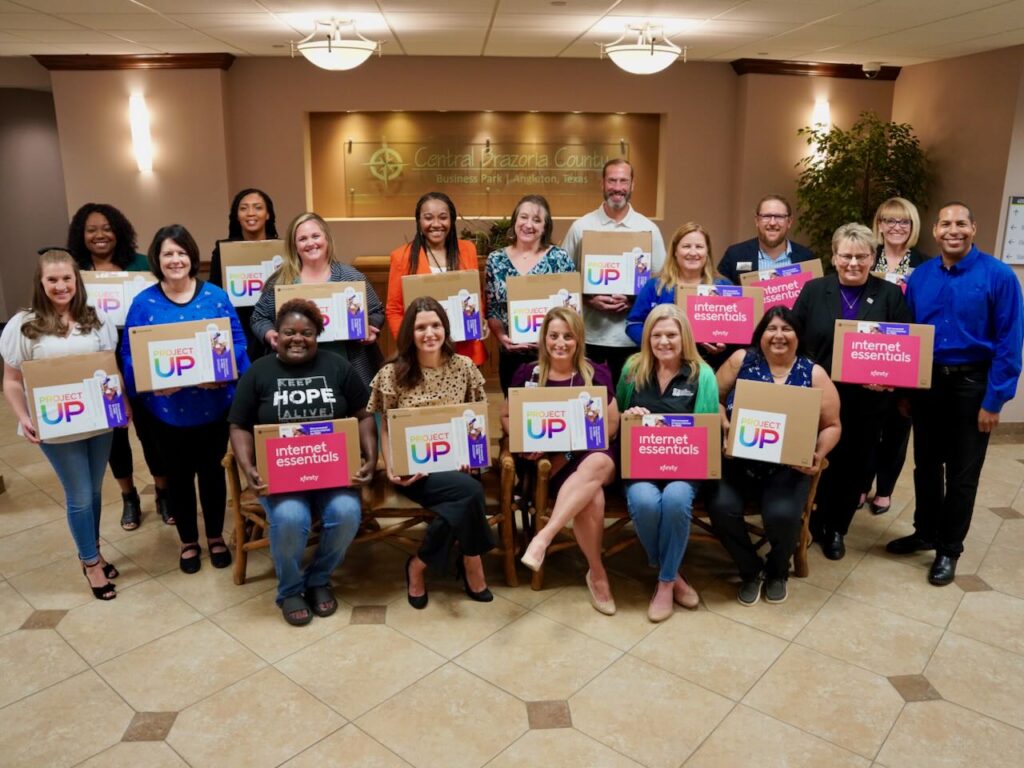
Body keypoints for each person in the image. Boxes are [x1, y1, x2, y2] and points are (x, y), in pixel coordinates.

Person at [886, 202, 1024, 585]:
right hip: (927, 384)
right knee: (926, 465)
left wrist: (995, 399)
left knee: (962, 473)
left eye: (961, 223)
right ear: (934, 231)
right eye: (945, 223)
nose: (953, 230)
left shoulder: (998, 277)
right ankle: (925, 531)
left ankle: (949, 549)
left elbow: (1009, 342)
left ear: (974, 228)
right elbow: (909, 336)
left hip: (972, 385)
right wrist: (904, 389)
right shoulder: (920, 276)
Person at [228, 299, 377, 626]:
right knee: (291, 516)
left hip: (333, 470)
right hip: (280, 476)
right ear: (276, 336)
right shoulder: (259, 372)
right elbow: (238, 425)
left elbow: (364, 414)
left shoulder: (338, 367)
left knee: (347, 512)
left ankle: (319, 578)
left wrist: (370, 456)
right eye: (289, 332)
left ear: (318, 334)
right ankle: (290, 588)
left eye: (306, 332)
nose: (297, 338)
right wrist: (248, 467)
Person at [121, 225, 250, 574]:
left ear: (192, 257)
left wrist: (223, 372)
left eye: (181, 253)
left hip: (213, 405)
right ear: (157, 260)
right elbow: (129, 355)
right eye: (168, 254)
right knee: (177, 477)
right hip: (166, 412)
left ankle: (214, 537)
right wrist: (150, 384)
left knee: (211, 474)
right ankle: (188, 541)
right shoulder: (143, 303)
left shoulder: (216, 297)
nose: (175, 260)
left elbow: (238, 343)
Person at [1, 250, 121, 599]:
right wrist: (25, 418)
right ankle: (91, 564)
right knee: (80, 496)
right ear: (41, 283)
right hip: (56, 425)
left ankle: (94, 549)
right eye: (52, 279)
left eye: (67, 278)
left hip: (98, 421)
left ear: (76, 280)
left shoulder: (96, 318)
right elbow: (10, 381)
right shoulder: (23, 325)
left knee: (96, 491)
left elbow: (109, 369)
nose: (61, 285)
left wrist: (121, 404)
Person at [791, 222, 911, 560]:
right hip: (817, 395)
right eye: (846, 256)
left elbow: (905, 345)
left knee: (853, 467)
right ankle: (810, 522)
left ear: (873, 257)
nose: (853, 263)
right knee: (814, 458)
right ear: (834, 256)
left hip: (867, 401)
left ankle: (836, 530)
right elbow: (794, 338)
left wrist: (890, 376)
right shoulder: (814, 290)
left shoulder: (889, 295)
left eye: (861, 256)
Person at [708, 306, 841, 605]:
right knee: (720, 508)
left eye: (786, 329)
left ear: (797, 335)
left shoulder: (814, 373)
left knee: (783, 515)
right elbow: (712, 400)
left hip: (788, 468)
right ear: (761, 334)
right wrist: (727, 429)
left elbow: (832, 425)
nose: (778, 336)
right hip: (737, 464)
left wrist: (818, 454)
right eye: (771, 329)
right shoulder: (741, 360)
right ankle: (750, 569)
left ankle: (778, 570)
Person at [368, 297, 495, 609]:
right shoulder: (391, 373)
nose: (429, 333)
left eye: (436, 325)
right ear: (409, 332)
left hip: (457, 467)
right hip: (416, 471)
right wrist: (393, 465)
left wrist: (473, 456)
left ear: (445, 328)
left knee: (467, 489)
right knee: (469, 493)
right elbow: (384, 426)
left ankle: (420, 563)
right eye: (421, 326)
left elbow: (476, 418)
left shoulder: (464, 367)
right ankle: (471, 561)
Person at [503, 307, 620, 615]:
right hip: (551, 465)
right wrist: (524, 441)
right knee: (592, 499)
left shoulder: (595, 373)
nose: (560, 343)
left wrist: (571, 442)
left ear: (578, 339)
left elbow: (611, 427)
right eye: (554, 336)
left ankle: (544, 537)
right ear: (544, 339)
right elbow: (505, 416)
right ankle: (597, 572)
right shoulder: (527, 374)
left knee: (599, 463)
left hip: (590, 454)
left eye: (568, 336)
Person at [67, 202, 169, 531]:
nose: (100, 235)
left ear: (119, 231)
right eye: (91, 229)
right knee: (114, 433)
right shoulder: (75, 270)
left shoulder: (140, 265)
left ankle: (163, 491)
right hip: (97, 360)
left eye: (107, 228)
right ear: (81, 235)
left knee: (152, 430)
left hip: (141, 356)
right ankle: (129, 497)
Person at [616, 304, 718, 621]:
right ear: (647, 337)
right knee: (645, 502)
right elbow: (614, 416)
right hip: (642, 463)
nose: (664, 341)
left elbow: (708, 432)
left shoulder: (703, 375)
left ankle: (663, 583)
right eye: (657, 334)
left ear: (683, 336)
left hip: (685, 466)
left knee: (675, 499)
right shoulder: (632, 369)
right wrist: (627, 417)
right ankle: (674, 575)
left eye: (671, 334)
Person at [561, 159, 667, 385]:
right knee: (589, 403)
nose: (617, 187)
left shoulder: (648, 229)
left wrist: (633, 303)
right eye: (612, 180)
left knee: (627, 404)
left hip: (632, 337)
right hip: (588, 335)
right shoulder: (581, 227)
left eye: (623, 181)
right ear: (602, 183)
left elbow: (661, 283)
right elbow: (563, 279)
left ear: (632, 185)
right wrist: (587, 299)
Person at [251, 212, 383, 387]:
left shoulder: (351, 277)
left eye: (315, 236)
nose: (311, 243)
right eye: (303, 239)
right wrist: (269, 334)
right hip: (294, 370)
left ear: (326, 239)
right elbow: (258, 317)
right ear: (294, 245)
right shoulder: (281, 281)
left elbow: (376, 311)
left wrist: (370, 326)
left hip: (348, 365)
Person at [861, 197, 929, 514]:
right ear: (879, 225)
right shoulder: (865, 258)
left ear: (912, 227)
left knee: (897, 427)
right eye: (889, 220)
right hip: (866, 354)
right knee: (864, 427)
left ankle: (884, 490)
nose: (896, 227)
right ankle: (861, 484)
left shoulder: (926, 265)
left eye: (903, 222)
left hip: (905, 357)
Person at [485, 194, 576, 392]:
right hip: (512, 354)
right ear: (515, 220)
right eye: (523, 217)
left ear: (545, 227)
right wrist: (501, 337)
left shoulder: (559, 258)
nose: (529, 224)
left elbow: (572, 308)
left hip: (554, 353)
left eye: (537, 220)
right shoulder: (496, 260)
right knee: (516, 410)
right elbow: (492, 309)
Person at [386, 192, 487, 365]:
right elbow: (394, 309)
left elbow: (475, 297)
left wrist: (481, 321)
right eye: (428, 218)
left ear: (452, 220)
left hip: (466, 351)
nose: (436, 224)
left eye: (443, 217)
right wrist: (409, 342)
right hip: (423, 352)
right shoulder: (402, 256)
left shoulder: (467, 250)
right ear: (419, 221)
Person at [625, 222, 733, 368]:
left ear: (707, 252)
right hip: (660, 363)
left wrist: (725, 343)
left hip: (710, 363)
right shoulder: (655, 286)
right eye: (686, 246)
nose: (693, 253)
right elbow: (633, 324)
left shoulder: (724, 287)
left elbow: (736, 328)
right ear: (675, 251)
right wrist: (656, 342)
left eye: (699, 247)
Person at [209, 188, 281, 360]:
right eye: (243, 208)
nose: (251, 213)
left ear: (268, 214)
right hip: (237, 325)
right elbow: (215, 294)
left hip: (275, 325)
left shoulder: (282, 249)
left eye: (258, 207)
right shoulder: (222, 251)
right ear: (236, 215)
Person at [717, 194, 815, 285]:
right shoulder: (735, 255)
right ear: (757, 221)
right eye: (766, 216)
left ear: (789, 222)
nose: (772, 223)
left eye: (779, 216)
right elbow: (718, 294)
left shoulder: (806, 258)